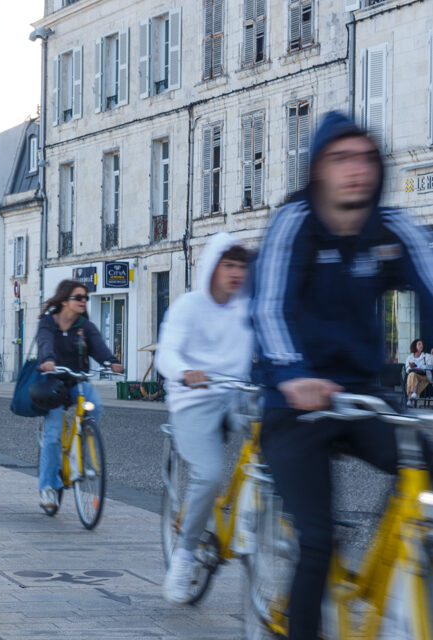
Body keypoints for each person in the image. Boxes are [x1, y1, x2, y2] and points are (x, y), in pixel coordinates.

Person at [250, 111, 433, 640]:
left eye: (365, 158)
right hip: (296, 405)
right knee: (317, 539)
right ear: (317, 171)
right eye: (340, 159)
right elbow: (269, 309)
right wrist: (291, 376)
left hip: (361, 400)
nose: (356, 170)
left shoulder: (391, 227)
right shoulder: (295, 223)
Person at [154, 234, 254, 604]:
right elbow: (167, 355)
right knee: (209, 473)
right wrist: (185, 372)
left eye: (242, 266)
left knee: (280, 446)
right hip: (193, 399)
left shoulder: (247, 309)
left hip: (237, 396)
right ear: (212, 266)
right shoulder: (188, 306)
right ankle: (184, 555)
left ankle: (254, 517)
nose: (236, 273)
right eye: (229, 265)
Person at [34, 280, 125, 511]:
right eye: (78, 297)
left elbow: (99, 347)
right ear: (65, 300)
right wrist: (48, 361)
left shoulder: (85, 326)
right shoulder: (48, 323)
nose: (83, 301)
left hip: (77, 380)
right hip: (53, 381)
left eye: (85, 297)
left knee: (95, 405)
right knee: (53, 435)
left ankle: (82, 442)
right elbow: (45, 344)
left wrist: (111, 362)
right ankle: (47, 488)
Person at [405, 339, 431, 405]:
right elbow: (407, 369)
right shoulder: (409, 358)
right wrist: (412, 368)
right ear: (415, 346)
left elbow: (431, 366)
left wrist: (432, 355)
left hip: (425, 376)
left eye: (422, 344)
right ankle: (414, 393)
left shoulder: (426, 356)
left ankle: (409, 399)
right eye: (419, 344)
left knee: (411, 376)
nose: (421, 346)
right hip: (415, 375)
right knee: (412, 374)